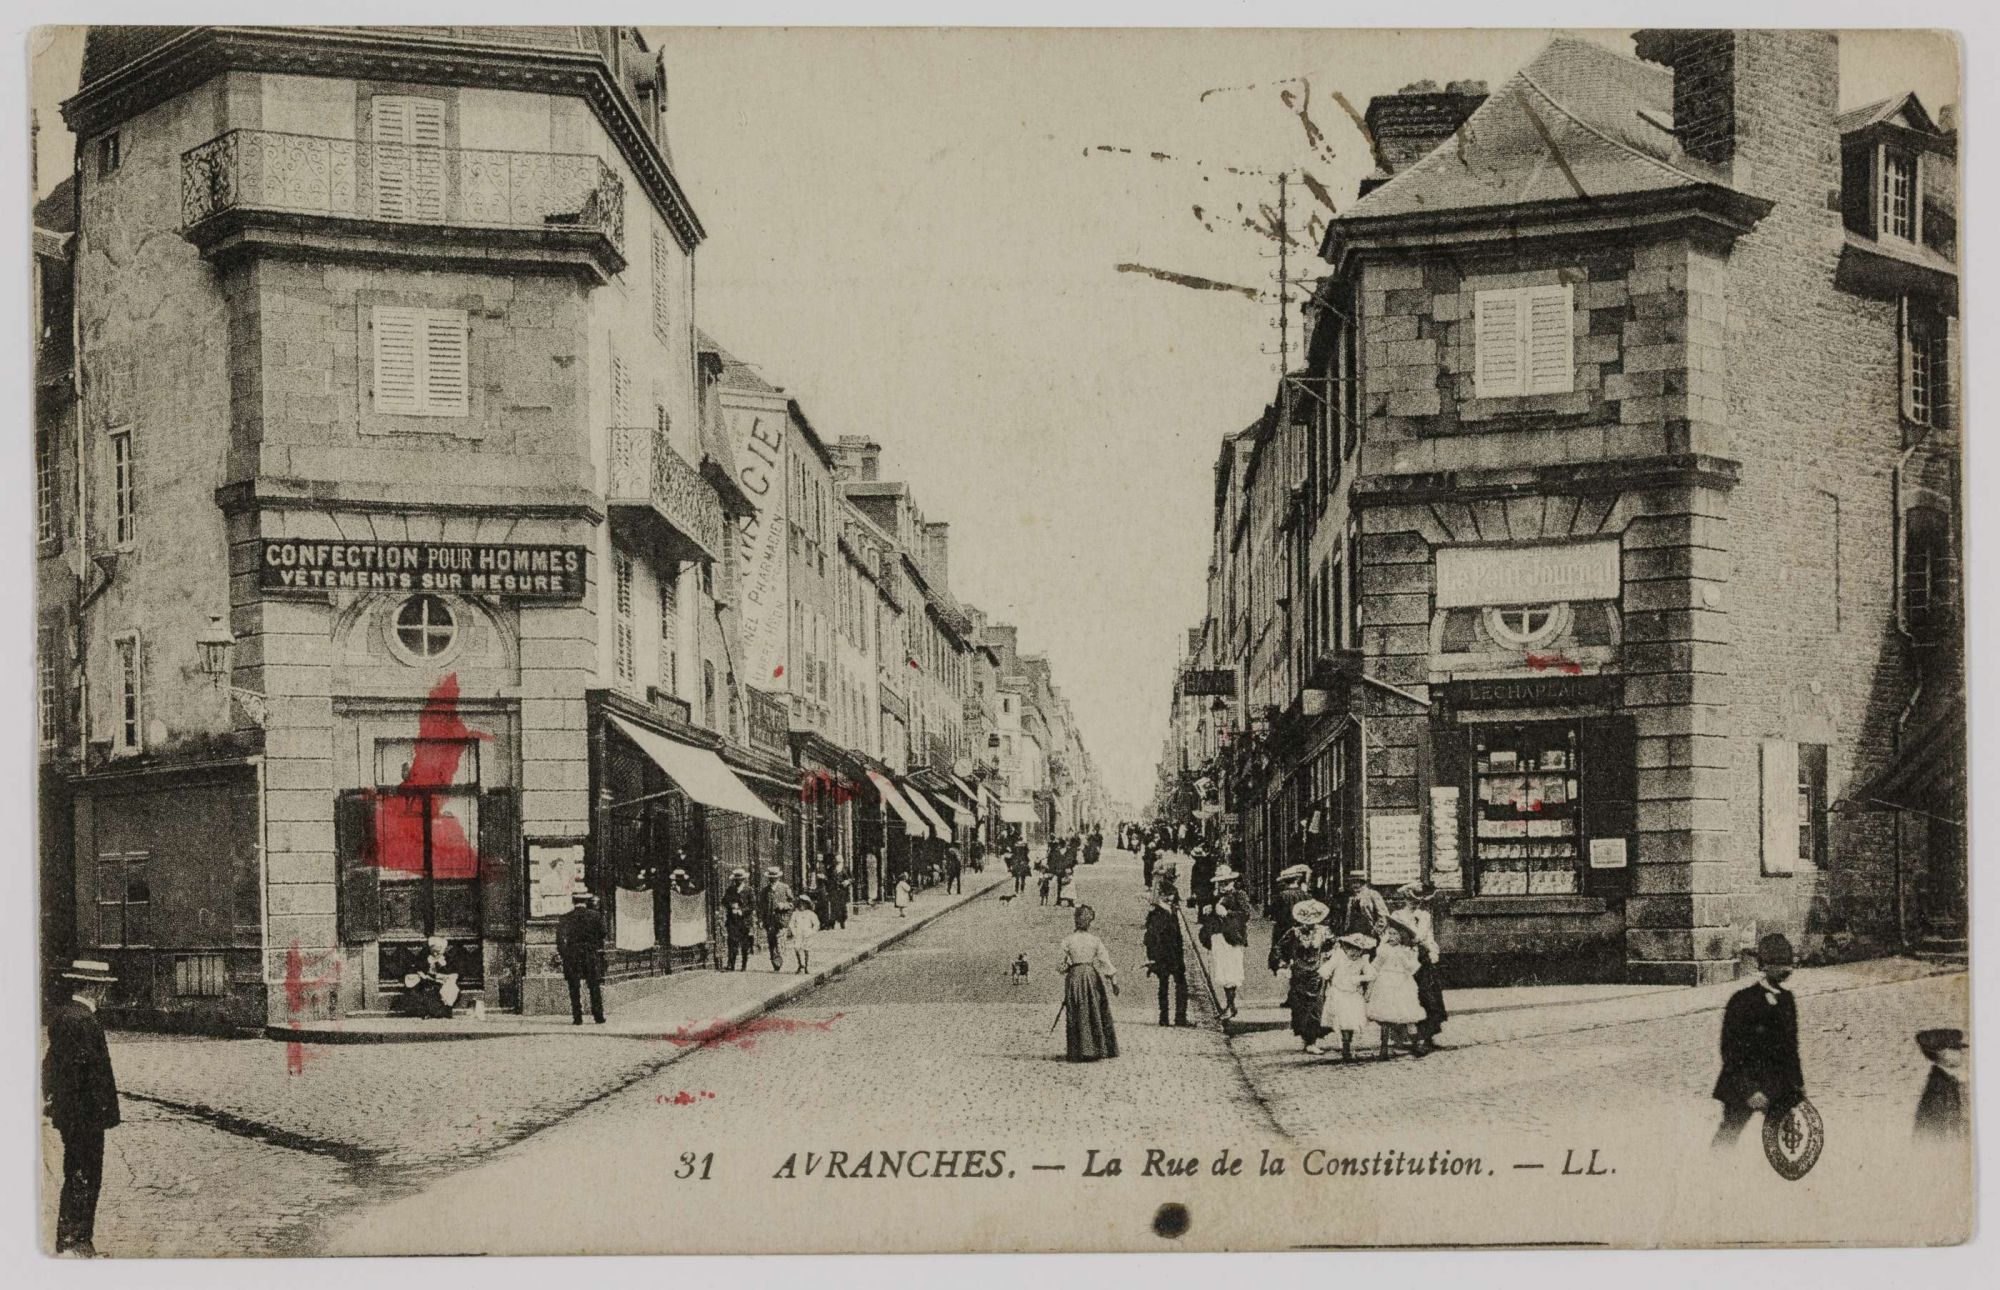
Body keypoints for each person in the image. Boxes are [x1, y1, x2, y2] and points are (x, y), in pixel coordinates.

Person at [44, 959, 120, 1257]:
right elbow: (85, 1075)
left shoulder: (64, 1016)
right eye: (103, 989)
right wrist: (98, 1113)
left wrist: (53, 1100)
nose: (105, 995)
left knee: (76, 1174)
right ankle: (75, 1244)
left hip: (71, 1115)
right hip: (85, 1117)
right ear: (94, 988)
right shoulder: (83, 1021)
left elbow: (49, 1066)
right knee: (85, 1176)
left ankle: (73, 1242)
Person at [1711, 933, 1805, 1150]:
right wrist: (1750, 1090)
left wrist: (1797, 1084)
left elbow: (1791, 1047)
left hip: (1777, 1084)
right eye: (1780, 964)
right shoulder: (1742, 1001)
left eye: (1789, 964)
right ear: (1764, 966)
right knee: (1729, 1132)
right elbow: (1731, 1051)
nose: (1787, 970)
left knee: (1783, 1143)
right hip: (1742, 1083)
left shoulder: (1787, 1000)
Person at [1059, 904, 1120, 1061]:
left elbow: (1060, 966)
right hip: (1091, 976)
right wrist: (1113, 980)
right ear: (1090, 922)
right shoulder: (1095, 940)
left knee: (1076, 1010)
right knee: (1093, 1009)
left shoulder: (1068, 941)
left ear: (1075, 920)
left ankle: (1078, 1050)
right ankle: (1096, 1048)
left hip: (1074, 977)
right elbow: (1104, 961)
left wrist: (1069, 968)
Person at [1394, 884, 1448, 1052]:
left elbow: (1428, 936)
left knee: (1428, 995)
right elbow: (1394, 936)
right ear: (1404, 899)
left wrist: (1432, 951)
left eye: (1418, 901)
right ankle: (1404, 1037)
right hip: (1404, 959)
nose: (1415, 904)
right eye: (1411, 900)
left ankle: (1428, 1035)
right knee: (1405, 996)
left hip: (1422, 959)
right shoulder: (1397, 916)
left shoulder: (1424, 916)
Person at [1277, 898, 1335, 1054]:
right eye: (1307, 919)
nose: (1310, 922)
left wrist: (1330, 958)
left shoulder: (1325, 931)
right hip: (1299, 973)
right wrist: (1283, 963)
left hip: (1317, 972)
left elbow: (1334, 947)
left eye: (1314, 918)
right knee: (1301, 1008)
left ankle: (1313, 1040)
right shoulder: (1294, 932)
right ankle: (1306, 1038)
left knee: (1316, 1006)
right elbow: (1279, 947)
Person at [1367, 916, 1427, 1059]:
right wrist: (1369, 981)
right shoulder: (1383, 949)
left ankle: (1415, 1045)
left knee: (1408, 1014)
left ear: (1402, 936)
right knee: (1385, 1016)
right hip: (1385, 983)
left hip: (1402, 983)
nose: (1392, 937)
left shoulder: (1406, 951)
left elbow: (1412, 968)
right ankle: (1383, 1049)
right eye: (1390, 933)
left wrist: (1408, 955)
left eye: (1395, 934)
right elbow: (1376, 966)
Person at [1201, 865, 1250, 1020]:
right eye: (1220, 882)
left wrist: (1227, 913)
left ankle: (1231, 1006)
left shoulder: (1238, 895)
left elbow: (1246, 914)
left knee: (1231, 972)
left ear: (1231, 881)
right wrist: (1210, 910)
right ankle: (1229, 1005)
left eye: (1225, 882)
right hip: (1218, 937)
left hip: (1232, 938)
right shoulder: (1217, 896)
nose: (1222, 885)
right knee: (1222, 971)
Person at [1321, 933, 1378, 1061]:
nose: (1354, 952)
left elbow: (1372, 974)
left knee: (1351, 1021)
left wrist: (1358, 978)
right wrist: (1328, 975)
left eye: (1358, 950)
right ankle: (1345, 1048)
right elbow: (1325, 970)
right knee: (1343, 1020)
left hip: (1353, 995)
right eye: (1351, 948)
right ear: (1346, 948)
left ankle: (1347, 1045)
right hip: (1339, 993)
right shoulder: (1339, 958)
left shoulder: (1362, 961)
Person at [555, 894, 607, 1024]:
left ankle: (577, 1017)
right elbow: (603, 933)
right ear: (585, 902)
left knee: (574, 985)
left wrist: (564, 954)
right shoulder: (595, 916)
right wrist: (594, 944)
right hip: (590, 953)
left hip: (572, 954)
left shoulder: (565, 918)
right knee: (594, 985)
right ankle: (598, 1016)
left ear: (573, 901)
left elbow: (559, 940)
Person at [1144, 891, 1192, 1027]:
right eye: (1172, 900)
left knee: (1165, 984)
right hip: (1167, 955)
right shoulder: (1160, 915)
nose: (1175, 903)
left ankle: (1166, 1017)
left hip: (1170, 954)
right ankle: (1177, 1017)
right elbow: (1150, 938)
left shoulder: (1165, 912)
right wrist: (1153, 957)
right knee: (1177, 983)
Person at [1912, 1028, 1968, 1146]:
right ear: (1943, 1053)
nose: (1961, 1053)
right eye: (1955, 1049)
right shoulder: (1939, 1085)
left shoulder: (1946, 1080)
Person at [394, 935, 459, 1019]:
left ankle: (440, 1012)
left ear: (443, 951)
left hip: (440, 984)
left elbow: (452, 974)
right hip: (426, 983)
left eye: (438, 952)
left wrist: (440, 975)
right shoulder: (426, 959)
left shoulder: (446, 961)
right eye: (433, 951)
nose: (435, 954)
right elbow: (418, 969)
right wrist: (422, 975)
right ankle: (426, 1012)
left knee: (444, 993)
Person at [1267, 865, 1312, 975]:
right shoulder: (1305, 895)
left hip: (1284, 928)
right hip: (1302, 928)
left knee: (1283, 950)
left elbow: (1274, 915)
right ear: (1297, 879)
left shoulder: (1281, 895)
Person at [759, 867, 794, 971]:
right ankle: (775, 961)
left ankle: (779, 958)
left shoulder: (785, 888)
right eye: (771, 878)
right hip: (769, 920)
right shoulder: (765, 891)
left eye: (775, 878)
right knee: (771, 940)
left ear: (778, 878)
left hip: (781, 919)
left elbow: (792, 903)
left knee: (780, 940)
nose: (773, 879)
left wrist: (784, 906)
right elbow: (761, 906)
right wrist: (761, 919)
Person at [721, 869, 755, 971]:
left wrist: (742, 911)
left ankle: (744, 965)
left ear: (743, 879)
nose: (738, 881)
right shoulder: (730, 889)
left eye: (740, 879)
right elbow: (724, 901)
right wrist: (731, 905)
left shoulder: (749, 890)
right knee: (732, 943)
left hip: (744, 922)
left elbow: (753, 905)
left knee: (744, 944)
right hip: (732, 921)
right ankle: (731, 964)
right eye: (736, 880)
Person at [1341, 873, 1390, 939]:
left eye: (1355, 882)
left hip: (1370, 932)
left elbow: (1383, 915)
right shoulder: (1351, 897)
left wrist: (1376, 931)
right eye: (1351, 882)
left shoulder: (1372, 894)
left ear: (1362, 883)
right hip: (1353, 933)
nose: (1353, 885)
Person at [786, 897, 821, 974]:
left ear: (806, 905)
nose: (801, 905)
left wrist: (812, 932)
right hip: (798, 933)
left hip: (807, 933)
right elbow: (791, 924)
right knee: (796, 948)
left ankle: (806, 966)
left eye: (803, 904)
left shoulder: (810, 913)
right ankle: (800, 964)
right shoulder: (795, 913)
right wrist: (794, 932)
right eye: (800, 903)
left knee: (806, 949)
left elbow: (816, 924)